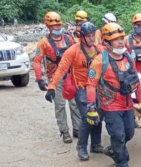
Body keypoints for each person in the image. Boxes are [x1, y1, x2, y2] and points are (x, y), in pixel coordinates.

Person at [86, 22, 141, 167]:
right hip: (110, 106)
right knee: (118, 136)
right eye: (116, 39)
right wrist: (91, 109)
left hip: (127, 104)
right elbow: (91, 85)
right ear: (107, 42)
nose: (120, 41)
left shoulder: (127, 58)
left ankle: (114, 150)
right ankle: (122, 162)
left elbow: (135, 80)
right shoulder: (99, 61)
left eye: (122, 38)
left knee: (129, 133)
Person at [45, 21, 105, 160]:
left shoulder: (99, 50)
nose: (91, 38)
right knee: (87, 118)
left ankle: (96, 144)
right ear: (81, 37)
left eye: (93, 35)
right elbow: (61, 69)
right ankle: (81, 147)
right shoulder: (73, 50)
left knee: (99, 116)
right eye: (88, 36)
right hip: (82, 89)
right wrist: (52, 87)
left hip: (97, 88)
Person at [33, 11, 81, 143]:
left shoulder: (68, 39)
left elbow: (77, 53)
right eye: (54, 26)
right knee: (60, 105)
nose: (57, 28)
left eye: (59, 25)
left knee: (74, 103)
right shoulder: (44, 42)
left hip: (70, 76)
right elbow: (37, 60)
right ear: (48, 26)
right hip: (55, 77)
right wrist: (40, 79)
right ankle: (64, 131)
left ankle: (77, 128)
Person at [124, 13, 141, 129]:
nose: (140, 27)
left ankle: (136, 119)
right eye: (137, 24)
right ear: (133, 25)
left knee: (140, 98)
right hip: (129, 74)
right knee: (129, 97)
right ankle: (130, 120)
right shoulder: (126, 40)